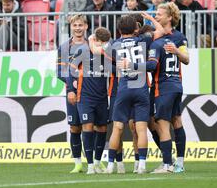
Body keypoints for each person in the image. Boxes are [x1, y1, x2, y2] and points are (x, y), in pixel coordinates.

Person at [106, 13, 164, 174]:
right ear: (135, 28)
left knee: (117, 128)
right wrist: (151, 19)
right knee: (141, 129)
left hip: (123, 88)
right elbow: (160, 31)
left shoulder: (114, 44)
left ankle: (110, 165)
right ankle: (142, 166)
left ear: (119, 29)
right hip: (141, 89)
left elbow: (103, 61)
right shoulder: (143, 40)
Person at [145, 2, 189, 173]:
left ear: (170, 17)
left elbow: (186, 59)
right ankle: (174, 161)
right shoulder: (158, 35)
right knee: (160, 121)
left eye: (159, 14)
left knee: (165, 123)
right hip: (172, 86)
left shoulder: (178, 37)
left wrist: (177, 51)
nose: (156, 17)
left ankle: (170, 163)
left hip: (163, 86)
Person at [66, 27, 112, 174]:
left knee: (102, 128)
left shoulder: (106, 54)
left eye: (105, 43)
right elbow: (70, 71)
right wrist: (70, 91)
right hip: (85, 97)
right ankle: (90, 165)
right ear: (95, 40)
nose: (103, 45)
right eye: (101, 42)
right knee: (87, 127)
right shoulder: (83, 51)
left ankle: (98, 163)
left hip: (102, 97)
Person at [56, 14, 89, 173]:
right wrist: (70, 88)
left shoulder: (92, 45)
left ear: (86, 27)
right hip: (73, 93)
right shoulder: (64, 47)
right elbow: (60, 72)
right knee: (75, 128)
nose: (77, 28)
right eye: (75, 25)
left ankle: (94, 161)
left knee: (93, 127)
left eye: (80, 25)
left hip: (90, 92)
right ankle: (77, 163)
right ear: (71, 27)